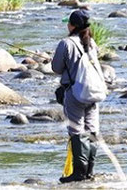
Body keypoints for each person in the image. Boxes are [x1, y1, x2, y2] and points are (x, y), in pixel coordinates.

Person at [52, 10, 100, 183]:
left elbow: (56, 68)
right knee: (92, 129)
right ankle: (89, 171)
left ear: (72, 25)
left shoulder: (65, 43)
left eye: (68, 23)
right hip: (93, 92)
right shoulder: (92, 42)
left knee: (77, 130)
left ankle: (79, 172)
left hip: (74, 93)